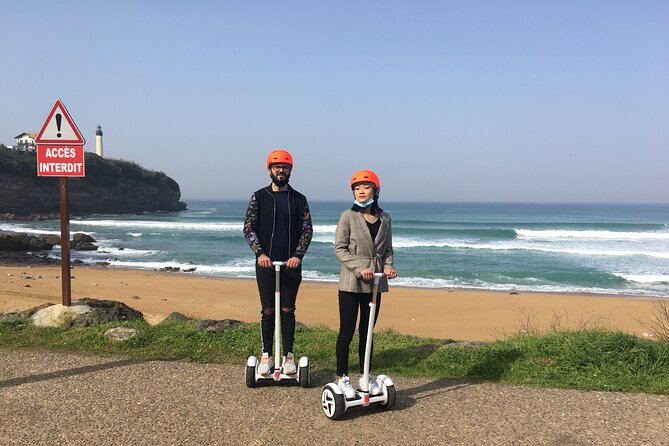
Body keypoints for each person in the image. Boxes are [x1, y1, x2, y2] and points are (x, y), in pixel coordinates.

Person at [243, 149, 313, 375]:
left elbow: (307, 230)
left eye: (285, 167)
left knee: (287, 309)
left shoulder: (299, 199)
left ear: (290, 170)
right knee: (267, 310)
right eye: (277, 167)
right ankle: (266, 355)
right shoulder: (258, 197)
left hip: (291, 266)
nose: (281, 170)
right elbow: (249, 228)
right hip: (266, 265)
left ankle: (289, 355)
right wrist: (260, 254)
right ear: (269, 170)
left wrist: (297, 256)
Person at [333, 169, 397, 398]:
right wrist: (360, 269)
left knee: (367, 332)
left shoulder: (386, 218)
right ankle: (342, 376)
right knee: (346, 332)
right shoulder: (347, 217)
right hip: (351, 281)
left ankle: (364, 374)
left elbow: (388, 249)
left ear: (376, 190)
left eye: (366, 187)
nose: (361, 191)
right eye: (357, 188)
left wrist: (388, 266)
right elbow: (339, 249)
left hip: (376, 283)